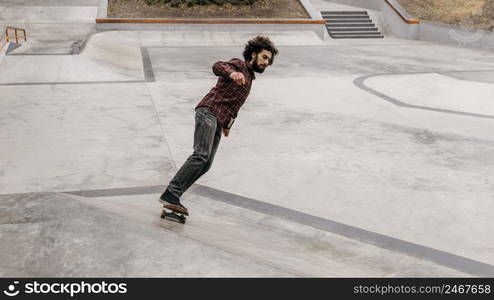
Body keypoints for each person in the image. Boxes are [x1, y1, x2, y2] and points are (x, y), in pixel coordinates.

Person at [159, 36, 279, 215]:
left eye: (268, 60)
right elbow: (218, 66)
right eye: (264, 57)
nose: (266, 63)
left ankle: (174, 195)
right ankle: (171, 193)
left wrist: (228, 125)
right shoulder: (239, 65)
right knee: (201, 155)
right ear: (253, 54)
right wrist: (231, 73)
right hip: (209, 111)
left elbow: (235, 105)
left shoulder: (250, 78)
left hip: (218, 120)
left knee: (206, 163)